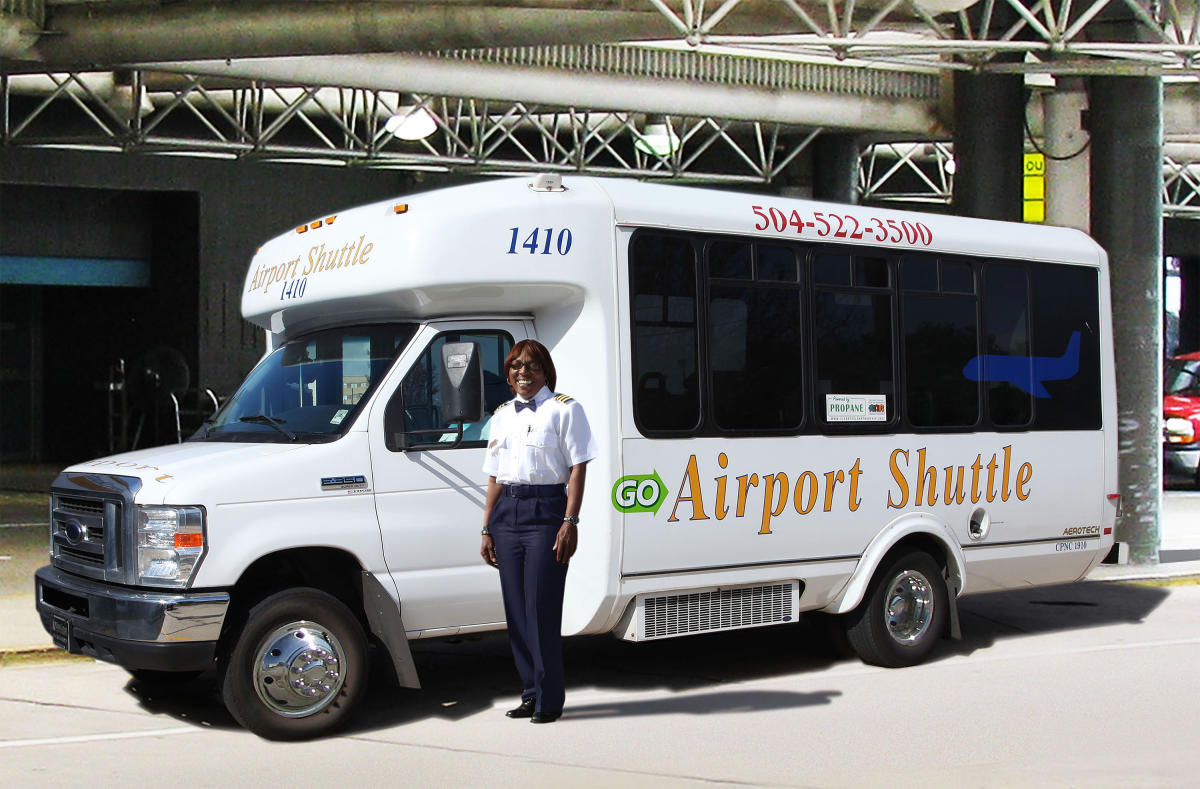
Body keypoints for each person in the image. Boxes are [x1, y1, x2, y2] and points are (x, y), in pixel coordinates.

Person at [480, 339, 597, 724]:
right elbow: (495, 476)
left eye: (530, 366)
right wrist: (486, 526)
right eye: (515, 366)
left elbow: (578, 468)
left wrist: (570, 521)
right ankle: (530, 691)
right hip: (507, 512)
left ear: (545, 370)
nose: (522, 373)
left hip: (547, 511)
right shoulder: (501, 415)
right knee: (516, 610)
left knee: (541, 609)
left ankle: (550, 699)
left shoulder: (565, 410)